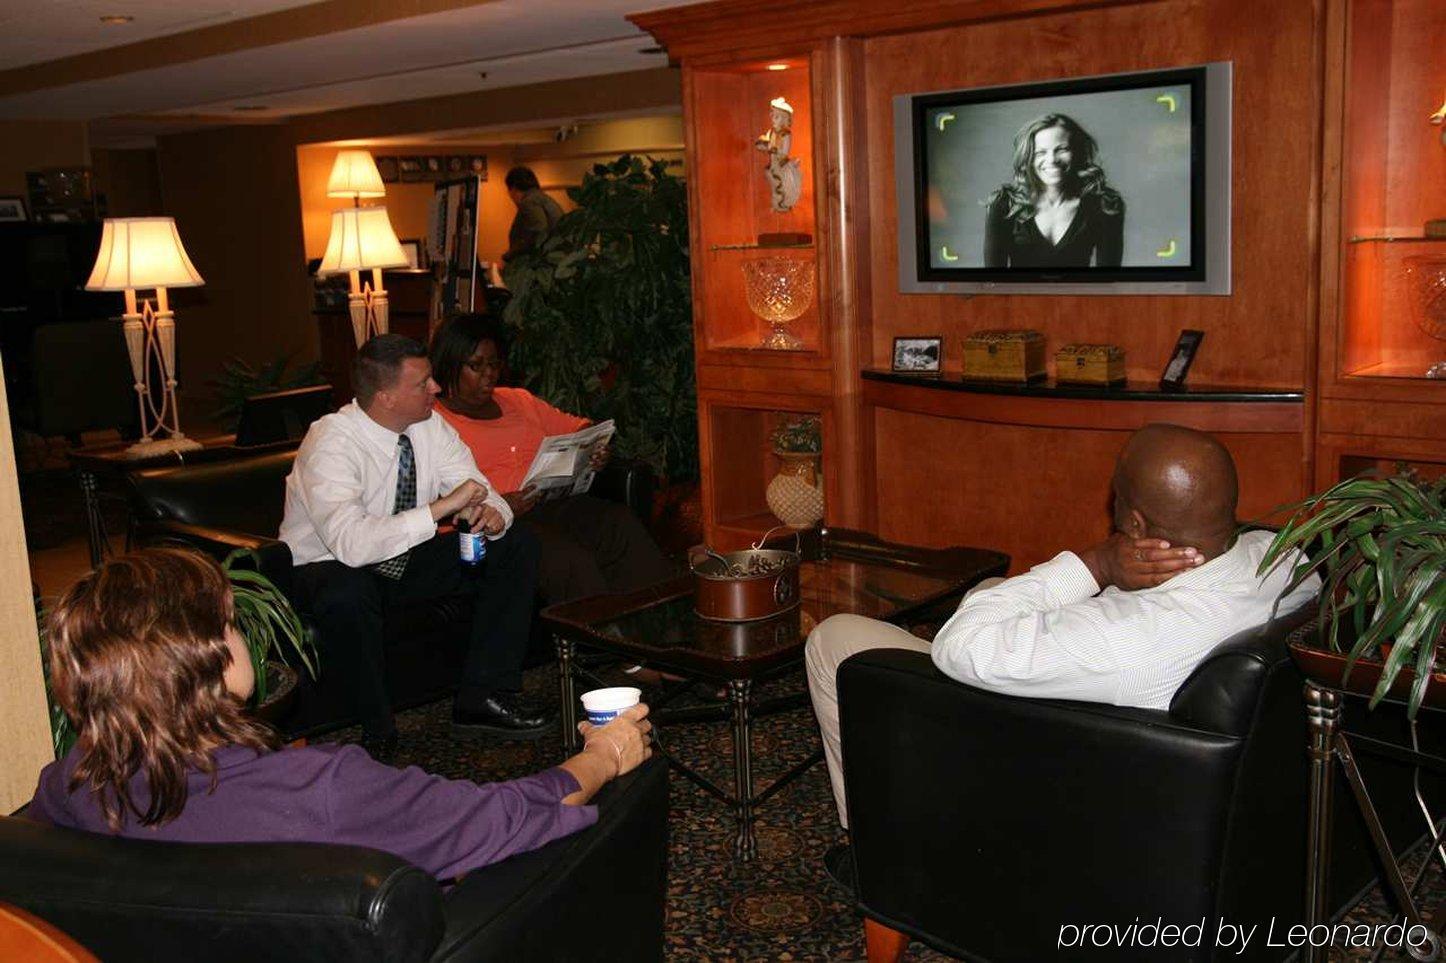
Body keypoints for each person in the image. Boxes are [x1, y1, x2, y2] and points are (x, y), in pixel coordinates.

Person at [804, 423, 1318, 885]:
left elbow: (957, 647)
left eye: (1116, 491)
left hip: (1060, 764)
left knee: (836, 637)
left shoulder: (1126, 637)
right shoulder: (1286, 560)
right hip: (1174, 770)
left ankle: (876, 851)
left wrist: (1094, 564)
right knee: (993, 589)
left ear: (1136, 525)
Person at [26, 547, 652, 883]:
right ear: (206, 657)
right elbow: (496, 821)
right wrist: (601, 757)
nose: (242, 630)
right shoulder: (323, 789)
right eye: (228, 619)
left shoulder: (67, 786)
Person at [279, 333, 545, 758]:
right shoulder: (331, 442)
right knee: (350, 590)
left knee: (514, 545)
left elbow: (477, 485)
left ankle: (483, 697)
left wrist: (497, 514)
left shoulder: (427, 425)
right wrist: (442, 508)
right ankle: (378, 731)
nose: (436, 388)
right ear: (385, 397)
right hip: (328, 566)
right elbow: (351, 544)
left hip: (401, 556)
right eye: (423, 383)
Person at [428, 312, 677, 605]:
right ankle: (602, 644)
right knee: (570, 561)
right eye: (476, 366)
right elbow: (436, 501)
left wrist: (596, 450)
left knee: (619, 524)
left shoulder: (517, 400)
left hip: (551, 503)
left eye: (494, 364)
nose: (489, 374)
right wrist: (502, 504)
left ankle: (662, 630)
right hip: (500, 523)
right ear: (449, 365)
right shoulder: (433, 421)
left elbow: (581, 427)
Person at [983, 113, 1125, 269]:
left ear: (1077, 152)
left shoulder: (1106, 204)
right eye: (1040, 152)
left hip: (1080, 294)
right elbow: (993, 283)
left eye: (1062, 149)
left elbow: (1108, 281)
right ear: (1028, 158)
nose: (1052, 160)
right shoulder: (1003, 203)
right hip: (1017, 295)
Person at [500, 166, 563, 264]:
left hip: (542, 265)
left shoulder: (528, 202)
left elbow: (538, 231)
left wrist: (511, 253)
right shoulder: (543, 198)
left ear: (514, 188)